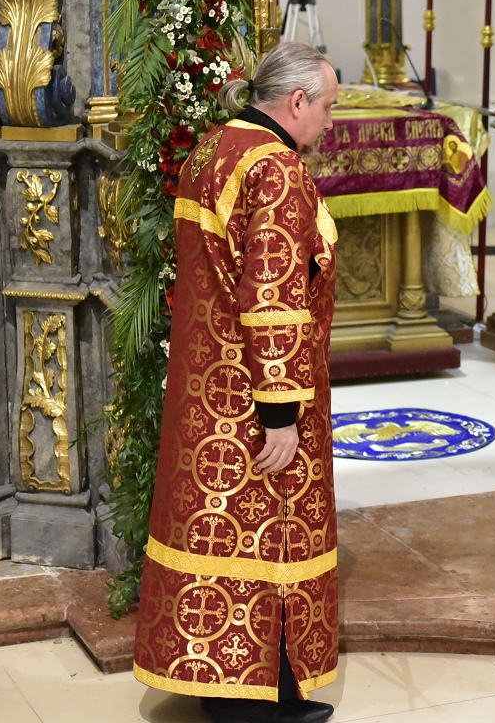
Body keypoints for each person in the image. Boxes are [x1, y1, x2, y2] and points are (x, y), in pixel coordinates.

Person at [132, 42, 341, 723]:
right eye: (328, 107)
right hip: (256, 392)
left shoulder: (212, 150)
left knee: (217, 536)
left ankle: (217, 680)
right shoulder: (275, 168)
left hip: (208, 383)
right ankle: (254, 703)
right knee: (266, 535)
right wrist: (281, 411)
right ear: (297, 101)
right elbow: (273, 295)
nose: (331, 122)